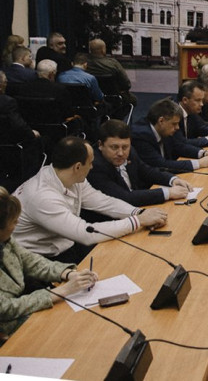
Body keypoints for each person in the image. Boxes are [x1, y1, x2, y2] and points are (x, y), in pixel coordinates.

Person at [12, 137, 167, 264]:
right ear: (77, 167)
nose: (92, 167)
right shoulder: (43, 197)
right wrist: (138, 221)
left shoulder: (70, 176)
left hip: (65, 245)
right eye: (91, 162)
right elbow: (86, 234)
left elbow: (103, 202)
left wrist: (139, 212)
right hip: (38, 261)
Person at [0, 187, 98, 336]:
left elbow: (30, 261)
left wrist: (68, 274)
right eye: (13, 221)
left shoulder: (5, 240)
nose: (17, 223)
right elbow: (5, 308)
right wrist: (60, 291)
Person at [88, 120, 194, 207]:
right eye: (114, 147)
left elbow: (146, 171)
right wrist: (168, 193)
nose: (120, 153)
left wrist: (172, 180)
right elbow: (124, 197)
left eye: (125, 147)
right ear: (100, 145)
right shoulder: (94, 166)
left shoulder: (130, 152)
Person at [131, 99, 208, 173]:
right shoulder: (141, 136)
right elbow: (160, 165)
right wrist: (200, 163)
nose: (177, 128)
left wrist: (203, 153)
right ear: (161, 121)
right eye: (174, 124)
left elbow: (179, 146)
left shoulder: (163, 129)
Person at [85, 38, 137, 106]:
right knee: (133, 99)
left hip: (91, 98)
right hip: (114, 98)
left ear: (90, 50)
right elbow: (126, 84)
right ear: (103, 50)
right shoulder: (113, 64)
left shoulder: (84, 64)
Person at [177, 80, 208, 147]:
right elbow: (181, 143)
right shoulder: (173, 116)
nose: (201, 104)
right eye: (198, 100)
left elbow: (201, 127)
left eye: (202, 100)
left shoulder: (191, 112)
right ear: (185, 100)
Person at [0, 70, 39, 143]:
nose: (6, 85)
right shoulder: (8, 102)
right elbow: (18, 125)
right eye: (5, 82)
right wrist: (31, 133)